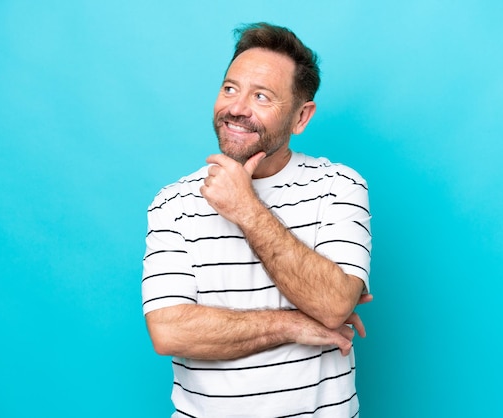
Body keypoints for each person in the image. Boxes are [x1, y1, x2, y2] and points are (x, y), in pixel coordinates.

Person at [142, 22, 372, 417]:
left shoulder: (339, 187)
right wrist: (293, 324)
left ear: (301, 117)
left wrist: (246, 209)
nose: (236, 108)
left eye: (261, 96)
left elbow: (333, 307)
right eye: (230, 88)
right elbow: (168, 331)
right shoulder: (172, 203)